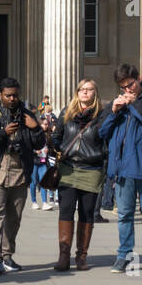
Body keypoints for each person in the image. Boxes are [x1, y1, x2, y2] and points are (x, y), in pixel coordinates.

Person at [99, 63, 142, 277]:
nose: (127, 90)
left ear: (138, 78)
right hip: (122, 168)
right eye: (123, 88)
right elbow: (102, 132)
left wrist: (135, 104)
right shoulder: (117, 101)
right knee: (124, 216)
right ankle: (125, 257)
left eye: (130, 85)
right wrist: (113, 112)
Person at [0, 77, 46, 276]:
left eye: (16, 95)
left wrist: (35, 128)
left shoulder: (27, 115)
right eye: (9, 96)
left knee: (14, 218)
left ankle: (7, 256)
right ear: (0, 95)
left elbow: (39, 144)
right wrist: (3, 133)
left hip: (20, 172)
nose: (13, 99)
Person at [51, 78, 107, 270]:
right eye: (81, 89)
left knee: (87, 212)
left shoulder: (101, 116)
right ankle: (64, 256)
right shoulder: (67, 113)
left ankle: (81, 256)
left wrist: (101, 157)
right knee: (65, 210)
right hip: (68, 169)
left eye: (89, 89)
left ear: (95, 93)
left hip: (91, 169)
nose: (85, 92)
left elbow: (106, 141)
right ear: (77, 92)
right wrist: (61, 149)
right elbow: (56, 137)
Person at [29, 116, 55, 211]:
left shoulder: (48, 135)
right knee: (34, 182)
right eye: (44, 124)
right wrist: (35, 151)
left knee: (43, 182)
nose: (46, 126)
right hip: (34, 161)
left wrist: (49, 150)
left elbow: (52, 147)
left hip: (44, 161)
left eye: (47, 124)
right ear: (40, 124)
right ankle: (34, 201)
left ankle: (44, 202)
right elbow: (27, 146)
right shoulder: (33, 134)